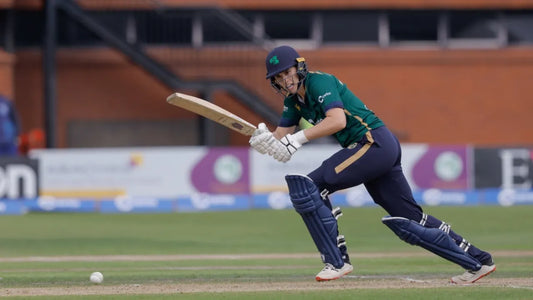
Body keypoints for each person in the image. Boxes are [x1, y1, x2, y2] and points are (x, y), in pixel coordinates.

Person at [249, 45, 495, 283]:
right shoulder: (293, 102)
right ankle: (478, 260)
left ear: (299, 67)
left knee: (310, 186)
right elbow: (280, 136)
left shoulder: (318, 82)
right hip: (377, 148)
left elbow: (337, 121)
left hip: (372, 141)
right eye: (279, 77)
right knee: (410, 218)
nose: (285, 80)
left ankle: (337, 261)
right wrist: (265, 141)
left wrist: (297, 139)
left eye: (287, 72)